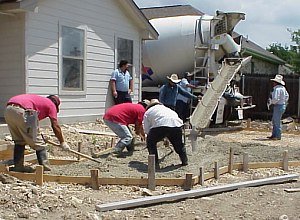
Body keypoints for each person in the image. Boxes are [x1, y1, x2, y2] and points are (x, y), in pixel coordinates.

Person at [4, 94, 70, 173]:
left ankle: (18, 167)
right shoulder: (51, 104)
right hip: (26, 111)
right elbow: (55, 125)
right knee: (39, 143)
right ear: (56, 104)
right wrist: (62, 142)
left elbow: (32, 125)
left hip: (9, 110)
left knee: (19, 141)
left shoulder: (40, 101)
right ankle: (45, 169)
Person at [143, 99, 188, 168]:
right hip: (176, 125)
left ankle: (154, 163)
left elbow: (147, 130)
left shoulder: (148, 112)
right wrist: (165, 136)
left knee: (150, 142)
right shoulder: (167, 109)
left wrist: (156, 137)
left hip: (160, 125)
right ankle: (184, 160)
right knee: (178, 144)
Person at [267, 74, 289, 140]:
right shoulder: (283, 88)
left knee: (276, 121)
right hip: (282, 105)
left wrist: (271, 103)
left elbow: (276, 99)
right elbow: (287, 96)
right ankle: (274, 135)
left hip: (278, 106)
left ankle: (277, 136)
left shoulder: (277, 89)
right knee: (275, 120)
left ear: (275, 82)